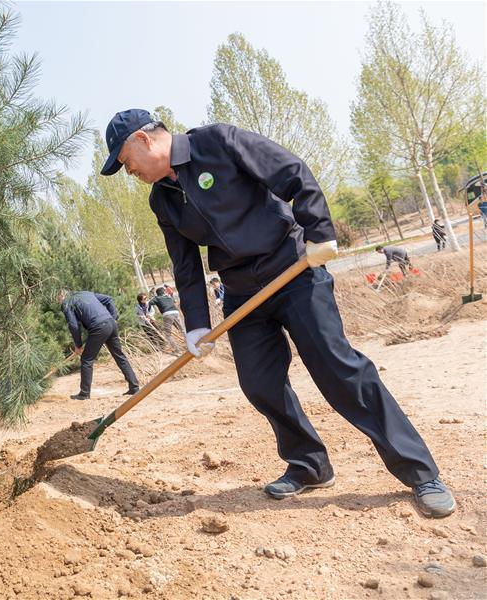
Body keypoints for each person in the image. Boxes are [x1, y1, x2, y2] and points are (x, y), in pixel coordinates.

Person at [99, 108, 455, 518]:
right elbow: (185, 264)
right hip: (240, 291)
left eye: (126, 162)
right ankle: (310, 464)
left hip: (293, 270)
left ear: (144, 140)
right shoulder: (161, 198)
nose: (129, 173)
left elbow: (293, 173)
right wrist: (197, 325)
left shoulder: (217, 142)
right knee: (259, 383)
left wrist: (319, 233)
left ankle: (420, 472)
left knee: (339, 371)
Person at [59, 290, 140, 400]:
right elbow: (108, 298)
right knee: (119, 355)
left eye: (57, 299)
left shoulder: (66, 302)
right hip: (111, 323)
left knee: (86, 360)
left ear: (61, 296)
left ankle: (84, 393)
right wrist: (113, 316)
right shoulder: (86, 293)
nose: (58, 302)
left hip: (98, 327)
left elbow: (73, 325)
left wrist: (78, 345)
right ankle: (134, 387)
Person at [148, 287, 187, 352]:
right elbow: (174, 301)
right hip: (175, 312)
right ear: (164, 292)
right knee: (182, 330)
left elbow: (150, 302)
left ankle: (177, 350)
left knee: (167, 334)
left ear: (157, 293)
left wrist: (148, 312)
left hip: (167, 314)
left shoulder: (157, 298)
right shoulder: (168, 297)